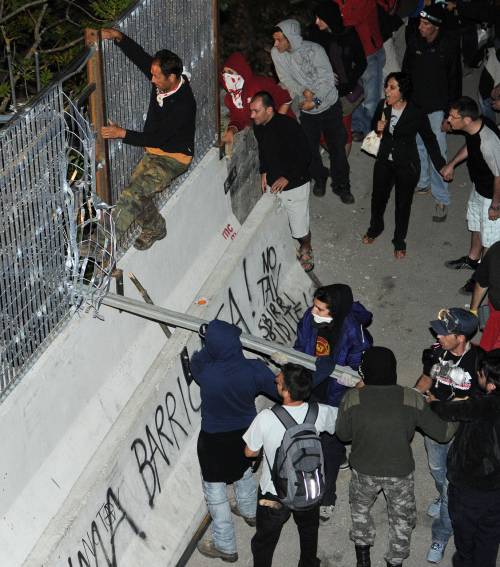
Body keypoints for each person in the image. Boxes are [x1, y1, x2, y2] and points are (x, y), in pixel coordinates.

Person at [336, 346, 457, 567]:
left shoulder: (352, 398)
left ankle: (363, 559)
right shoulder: (411, 397)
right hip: (399, 473)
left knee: (360, 511)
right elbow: (443, 434)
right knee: (402, 520)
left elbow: (342, 435)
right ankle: (395, 562)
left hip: (364, 470)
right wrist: (460, 410)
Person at [100, 28, 196, 251]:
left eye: (156, 77)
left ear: (171, 78)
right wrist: (119, 38)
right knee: (138, 193)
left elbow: (158, 138)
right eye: (151, 74)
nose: (151, 80)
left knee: (132, 194)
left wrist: (121, 133)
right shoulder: (163, 79)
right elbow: (141, 57)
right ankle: (156, 228)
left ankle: (102, 243)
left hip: (174, 157)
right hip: (155, 150)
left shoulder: (184, 104)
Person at [191, 320, 278, 563]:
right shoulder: (255, 369)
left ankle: (225, 545)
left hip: (213, 440)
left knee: (216, 491)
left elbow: (198, 359)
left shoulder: (206, 372)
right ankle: (250, 512)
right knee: (244, 472)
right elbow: (277, 390)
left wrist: (207, 347)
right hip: (246, 434)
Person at [243, 363, 337, 567]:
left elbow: (250, 452)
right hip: (308, 486)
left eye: (280, 378)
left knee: (265, 540)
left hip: (274, 493)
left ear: (284, 390)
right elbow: (341, 425)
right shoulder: (319, 411)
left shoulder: (266, 417)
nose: (276, 377)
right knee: (309, 531)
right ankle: (308, 563)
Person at [294, 284, 372, 524]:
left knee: (329, 446)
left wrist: (351, 377)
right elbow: (301, 343)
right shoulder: (310, 317)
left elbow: (359, 360)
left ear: (336, 311)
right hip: (312, 386)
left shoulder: (351, 330)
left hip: (336, 394)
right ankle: (338, 457)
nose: (314, 311)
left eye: (321, 309)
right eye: (314, 305)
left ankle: (327, 498)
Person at [414, 307, 480, 564]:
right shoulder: (436, 351)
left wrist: (444, 404)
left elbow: (477, 404)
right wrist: (413, 397)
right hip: (435, 425)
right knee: (436, 469)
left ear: (461, 338)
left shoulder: (479, 364)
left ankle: (440, 535)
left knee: (452, 488)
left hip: (462, 432)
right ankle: (442, 493)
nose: (437, 335)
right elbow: (426, 379)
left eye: (444, 333)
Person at [361, 71, 446, 259]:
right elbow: (374, 129)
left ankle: (399, 239)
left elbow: (430, 139)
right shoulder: (383, 106)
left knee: (403, 204)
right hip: (384, 161)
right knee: (378, 199)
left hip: (406, 164)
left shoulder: (416, 112)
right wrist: (378, 128)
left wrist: (441, 165)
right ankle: (375, 228)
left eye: (391, 87)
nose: (386, 90)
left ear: (403, 91)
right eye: (386, 86)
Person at [271, 19, 354, 203]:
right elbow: (285, 78)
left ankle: (342, 185)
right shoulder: (277, 54)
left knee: (337, 149)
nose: (275, 44)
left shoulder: (315, 50)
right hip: (307, 111)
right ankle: (320, 177)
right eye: (274, 40)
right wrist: (303, 91)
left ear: (290, 38)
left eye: (279, 40)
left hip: (329, 106)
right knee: (309, 150)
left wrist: (314, 101)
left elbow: (327, 81)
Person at [430, 349, 500, 567]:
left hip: (472, 487)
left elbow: (451, 411)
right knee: (489, 537)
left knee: (466, 536)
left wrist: (433, 403)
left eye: (480, 374)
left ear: (490, 384)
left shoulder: (485, 405)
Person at [402, 3, 461, 222]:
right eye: (420, 22)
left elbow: (454, 81)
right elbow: (406, 71)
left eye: (425, 24)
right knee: (418, 145)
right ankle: (423, 182)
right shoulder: (415, 40)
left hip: (437, 109)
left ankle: (442, 197)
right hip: (416, 105)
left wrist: (450, 115)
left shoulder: (448, 46)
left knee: (438, 151)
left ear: (436, 27)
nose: (420, 27)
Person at [441, 96, 500, 294]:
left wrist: (495, 205)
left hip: (493, 195)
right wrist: (452, 163)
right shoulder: (474, 128)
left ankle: (480, 278)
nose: (449, 119)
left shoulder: (488, 142)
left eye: (453, 117)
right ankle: (472, 260)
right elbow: (470, 146)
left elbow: (499, 176)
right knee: (476, 225)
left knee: (490, 243)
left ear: (466, 120)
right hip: (480, 187)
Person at [250, 91, 314, 272]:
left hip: (295, 184)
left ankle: (306, 247)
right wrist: (263, 171)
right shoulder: (259, 125)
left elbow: (305, 156)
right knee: (279, 221)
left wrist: (287, 177)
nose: (251, 115)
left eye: (256, 111)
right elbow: (263, 151)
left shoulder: (288, 127)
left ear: (269, 110)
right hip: (273, 185)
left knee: (299, 228)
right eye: (251, 111)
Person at [312, 0, 367, 157]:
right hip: (324, 92)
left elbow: (361, 62)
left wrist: (349, 82)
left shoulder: (349, 34)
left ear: (329, 18)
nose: (316, 22)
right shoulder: (316, 35)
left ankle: (342, 165)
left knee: (343, 130)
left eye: (319, 18)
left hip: (344, 94)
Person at [335, 0, 390, 142]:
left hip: (368, 52)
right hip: (351, 52)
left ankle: (371, 130)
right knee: (354, 92)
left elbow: (351, 19)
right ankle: (359, 126)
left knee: (371, 97)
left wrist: (336, 15)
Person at [220, 52, 292, 148]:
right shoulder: (231, 98)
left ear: (240, 71)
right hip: (264, 135)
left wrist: (277, 125)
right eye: (225, 73)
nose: (227, 77)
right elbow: (238, 120)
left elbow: (285, 98)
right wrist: (231, 131)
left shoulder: (258, 84)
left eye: (230, 73)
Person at [470, 240, 500, 351]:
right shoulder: (496, 251)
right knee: (487, 350)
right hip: (495, 314)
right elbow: (482, 283)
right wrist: (473, 311)